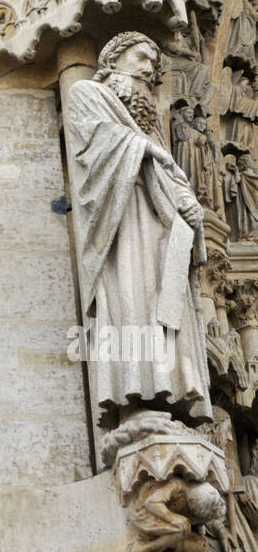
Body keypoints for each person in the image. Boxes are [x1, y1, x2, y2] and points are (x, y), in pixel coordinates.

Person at [65, 32, 212, 425]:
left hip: (160, 224)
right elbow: (97, 142)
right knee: (131, 298)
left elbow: (171, 174)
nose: (149, 69)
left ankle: (173, 400)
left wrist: (187, 201)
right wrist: (150, 152)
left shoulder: (149, 120)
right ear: (113, 58)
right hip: (121, 223)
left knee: (164, 302)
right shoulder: (85, 91)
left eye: (154, 64)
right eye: (141, 58)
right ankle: (134, 403)